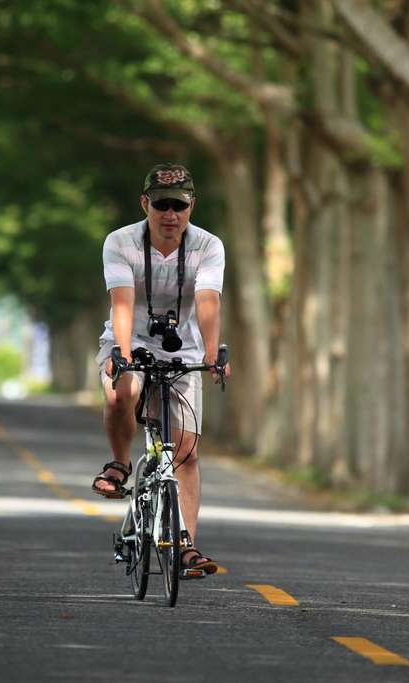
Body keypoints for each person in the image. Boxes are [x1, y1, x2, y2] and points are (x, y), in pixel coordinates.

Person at [92, 162, 230, 577]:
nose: (171, 215)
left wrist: (212, 353)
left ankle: (185, 542)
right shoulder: (121, 243)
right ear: (144, 204)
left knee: (185, 452)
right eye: (161, 205)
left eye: (179, 206)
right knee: (122, 392)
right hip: (128, 340)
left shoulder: (208, 246)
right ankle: (119, 463)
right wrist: (119, 350)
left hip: (182, 348)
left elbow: (207, 301)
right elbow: (121, 301)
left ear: (192, 206)